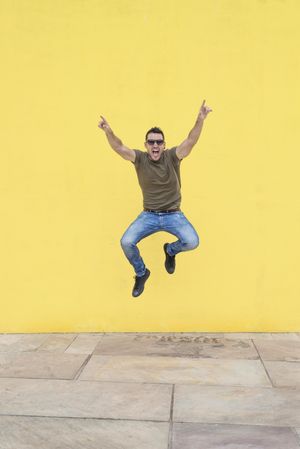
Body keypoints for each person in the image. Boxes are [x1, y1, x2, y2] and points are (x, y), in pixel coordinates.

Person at [98, 100, 212, 297]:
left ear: (164, 145)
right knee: (126, 242)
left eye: (159, 142)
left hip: (174, 215)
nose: (155, 145)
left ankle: (171, 251)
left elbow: (190, 141)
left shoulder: (172, 156)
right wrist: (108, 131)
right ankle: (141, 273)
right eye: (151, 142)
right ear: (146, 145)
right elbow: (119, 147)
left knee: (192, 241)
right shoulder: (140, 159)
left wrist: (200, 119)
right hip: (148, 216)